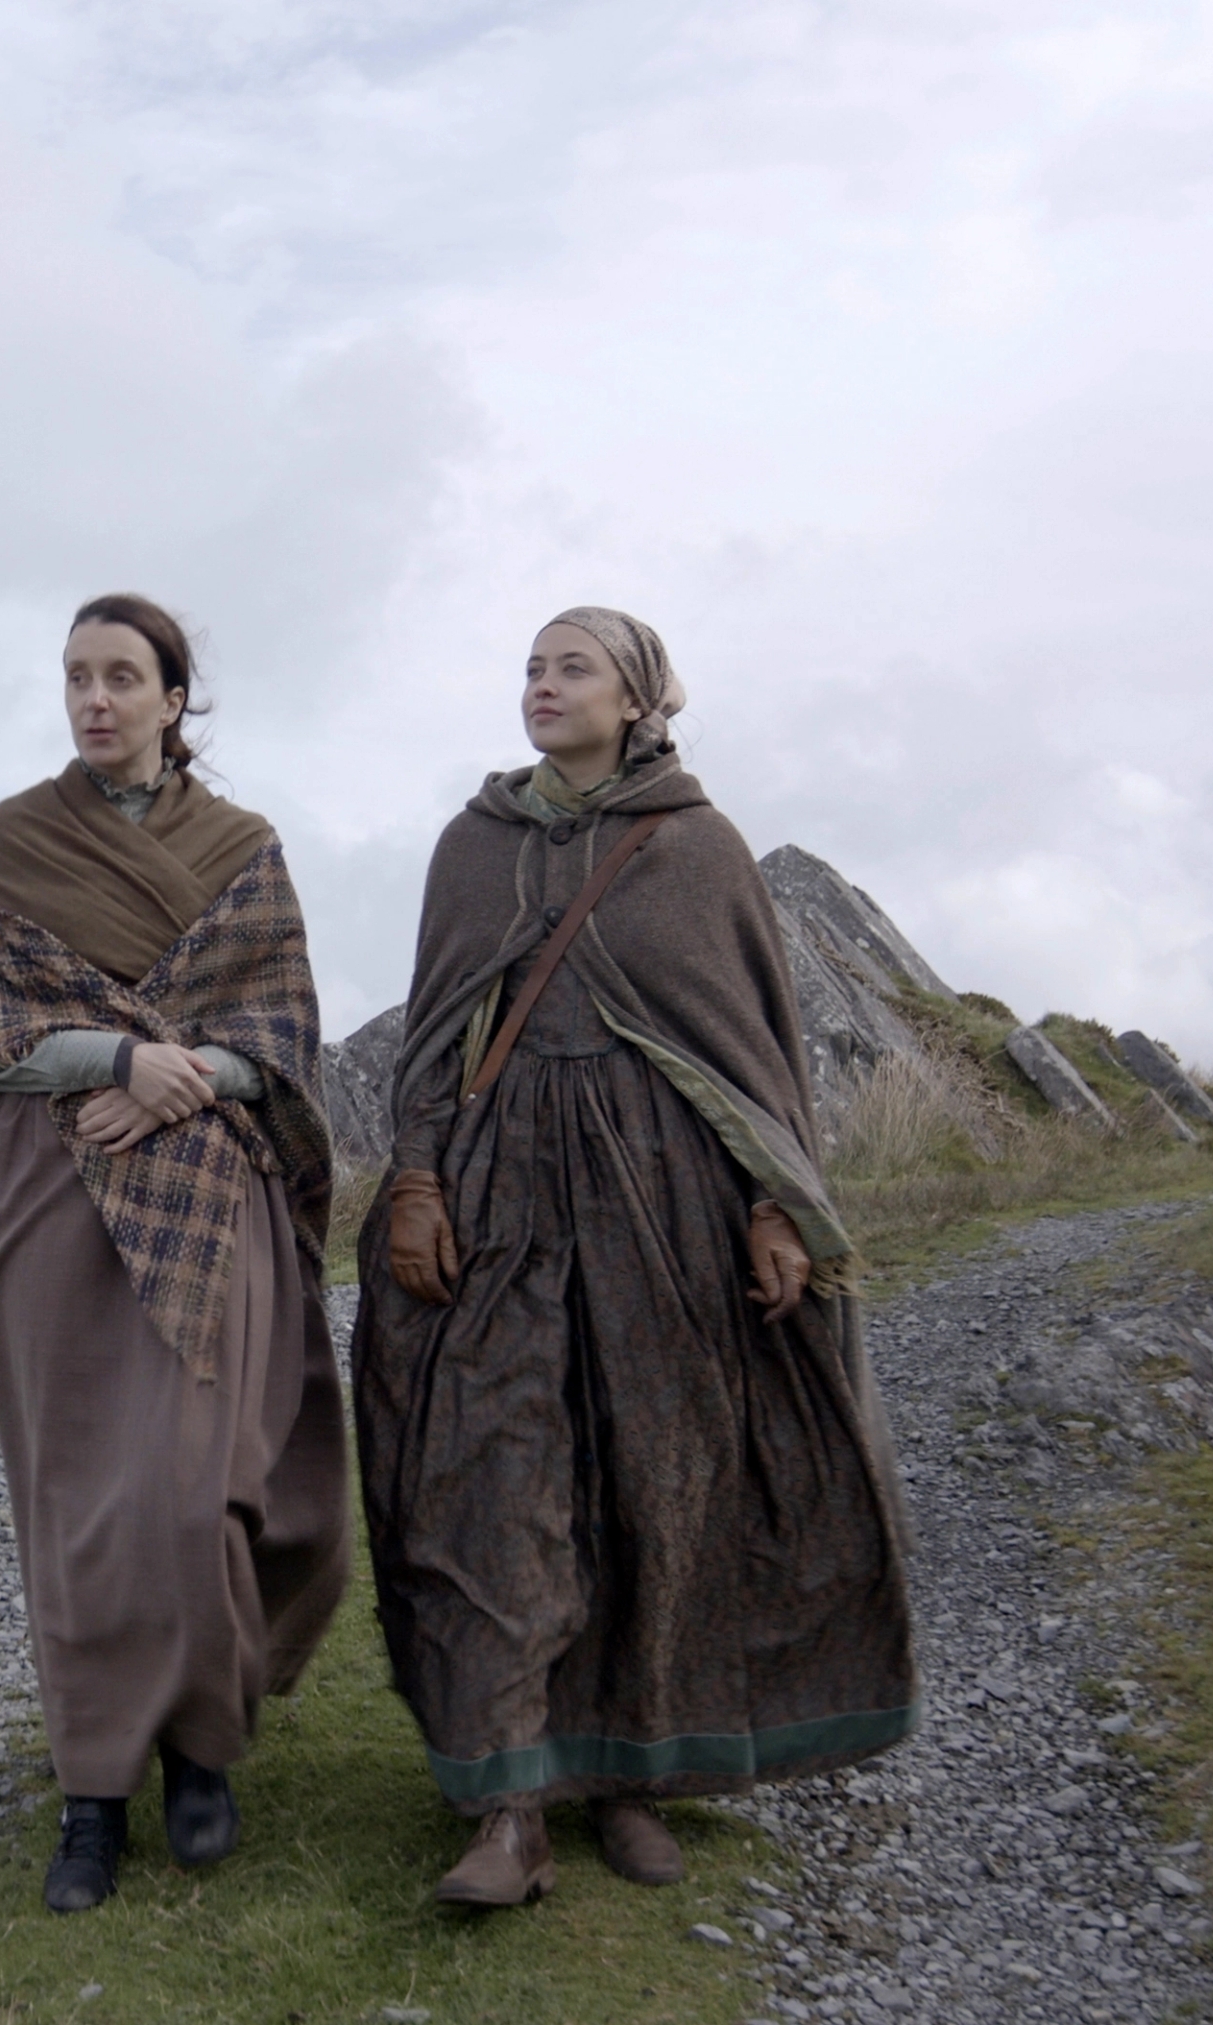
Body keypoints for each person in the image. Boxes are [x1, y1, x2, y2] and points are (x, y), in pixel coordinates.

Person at [350, 606, 917, 1907]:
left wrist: (776, 1206)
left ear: (641, 696)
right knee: (492, 1480)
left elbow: (752, 1052)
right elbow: (435, 1032)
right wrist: (421, 1178)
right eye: (532, 668)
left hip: (665, 1200)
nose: (542, 686)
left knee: (661, 1483)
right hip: (498, 1202)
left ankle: (637, 1774)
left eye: (573, 667)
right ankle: (510, 1804)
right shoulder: (474, 845)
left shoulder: (699, 847)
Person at [0, 593, 353, 1914]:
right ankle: (92, 1792)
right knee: (80, 1508)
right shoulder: (8, 846)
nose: (95, 699)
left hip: (205, 1186)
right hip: (52, 1193)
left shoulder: (243, 849)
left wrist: (176, 1078)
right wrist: (116, 1056)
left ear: (177, 698)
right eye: (76, 677)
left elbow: (280, 1029)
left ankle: (203, 1745)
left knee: (191, 1489)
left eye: (123, 677)